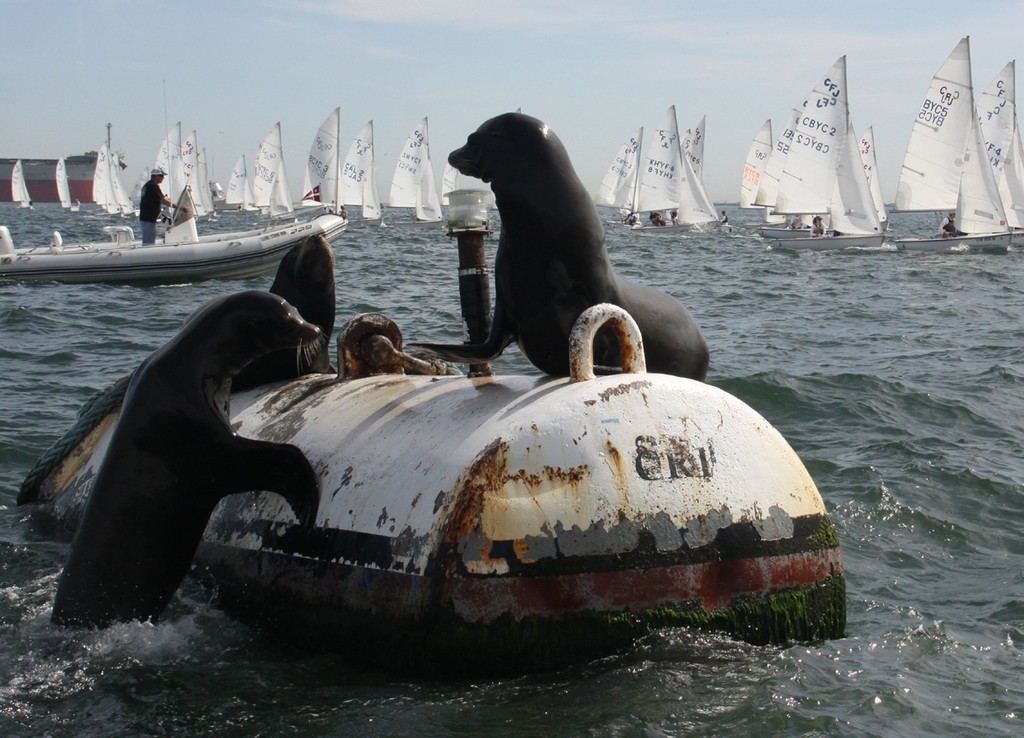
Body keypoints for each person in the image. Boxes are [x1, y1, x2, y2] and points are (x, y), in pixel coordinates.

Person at [139, 168, 173, 245]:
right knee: (149, 239)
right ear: (156, 176)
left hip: (147, 217)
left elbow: (159, 198)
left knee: (149, 237)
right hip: (148, 217)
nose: (163, 178)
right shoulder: (153, 185)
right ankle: (147, 253)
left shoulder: (149, 185)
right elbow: (162, 200)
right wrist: (176, 206)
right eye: (161, 176)